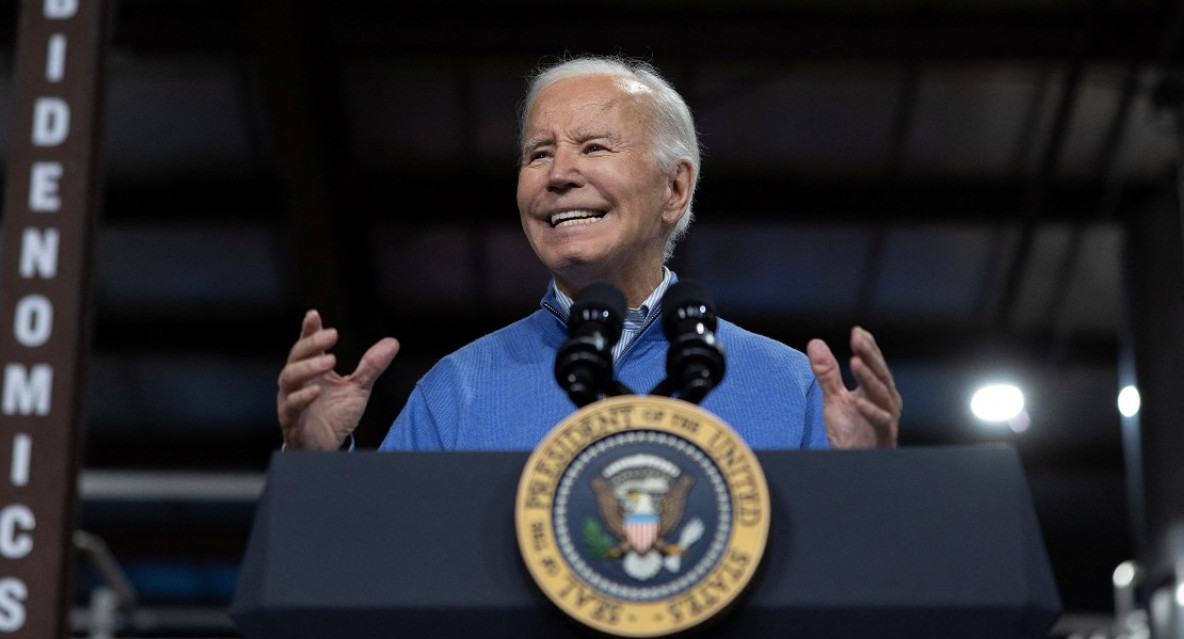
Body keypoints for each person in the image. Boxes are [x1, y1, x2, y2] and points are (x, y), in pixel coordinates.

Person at [277, 54, 901, 453]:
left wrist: (870, 485)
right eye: (538, 153)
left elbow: (862, 581)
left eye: (595, 147)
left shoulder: (787, 385)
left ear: (674, 190)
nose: (558, 175)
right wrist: (318, 466)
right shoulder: (457, 390)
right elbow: (378, 571)